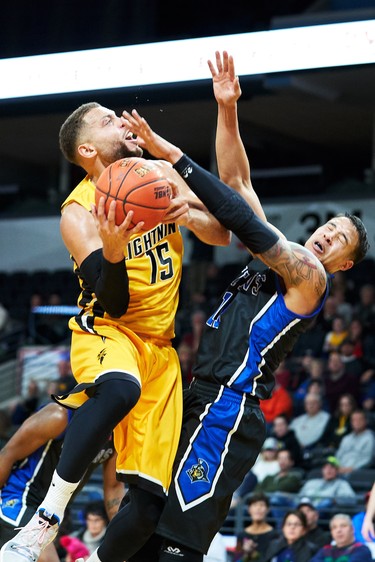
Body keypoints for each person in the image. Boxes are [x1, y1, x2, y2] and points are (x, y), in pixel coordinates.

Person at [110, 50, 367, 562]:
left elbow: (241, 218)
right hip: (194, 393)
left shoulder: (308, 278)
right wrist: (227, 109)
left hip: (228, 408)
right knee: (138, 523)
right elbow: (239, 186)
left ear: (343, 266)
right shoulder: (272, 253)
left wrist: (172, 155)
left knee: (173, 542)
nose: (327, 236)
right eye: (327, 228)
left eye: (339, 239)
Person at [1, 102, 229, 562]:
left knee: (147, 507)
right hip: (108, 329)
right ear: (86, 148)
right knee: (121, 390)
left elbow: (221, 234)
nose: (122, 122)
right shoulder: (78, 213)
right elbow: (115, 301)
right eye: (108, 121)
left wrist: (186, 215)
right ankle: (47, 516)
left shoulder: (157, 173)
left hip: (161, 349)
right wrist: (113, 248)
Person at [0, 403, 122, 562]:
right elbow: (7, 454)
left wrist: (122, 536)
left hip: (54, 511)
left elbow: (114, 487)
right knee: (47, 558)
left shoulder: (119, 433)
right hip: (21, 497)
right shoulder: (59, 415)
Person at [234, 492, 278, 562]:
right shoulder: (241, 535)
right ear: (249, 509)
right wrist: (246, 554)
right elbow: (236, 560)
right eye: (254, 505)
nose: (258, 508)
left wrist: (253, 553)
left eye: (262, 505)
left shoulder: (274, 535)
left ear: (268, 510)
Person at [336, 409, 375, 475]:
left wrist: (351, 469)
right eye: (354, 420)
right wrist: (336, 468)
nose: (357, 422)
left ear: (365, 421)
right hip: (338, 471)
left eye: (360, 420)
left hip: (356, 473)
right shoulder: (346, 438)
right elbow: (338, 456)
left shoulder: (370, 438)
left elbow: (367, 460)